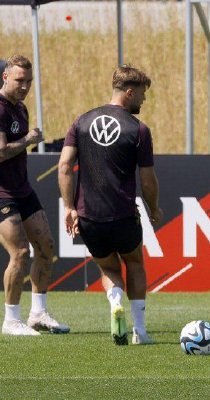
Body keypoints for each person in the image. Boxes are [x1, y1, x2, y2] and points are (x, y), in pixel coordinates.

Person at [58, 65, 163, 345]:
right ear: (129, 92)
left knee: (109, 268)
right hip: (123, 216)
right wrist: (154, 208)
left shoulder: (81, 122)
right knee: (135, 263)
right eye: (141, 94)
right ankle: (139, 331)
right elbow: (148, 179)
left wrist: (69, 207)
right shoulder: (139, 130)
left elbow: (65, 166)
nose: (143, 99)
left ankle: (115, 301)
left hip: (89, 217)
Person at [0, 54, 69, 336]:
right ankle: (10, 320)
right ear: (5, 76)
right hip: (2, 194)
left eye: (29, 81)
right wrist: (28, 140)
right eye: (20, 80)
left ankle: (38, 313)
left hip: (22, 189)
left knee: (46, 247)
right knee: (19, 253)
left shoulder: (20, 108)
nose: (25, 86)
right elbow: (1, 152)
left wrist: (25, 140)